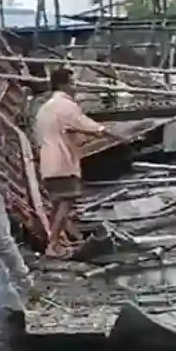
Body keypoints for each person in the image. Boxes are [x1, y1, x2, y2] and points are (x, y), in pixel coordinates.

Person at [34, 67, 138, 258]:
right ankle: (52, 244)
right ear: (64, 84)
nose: (76, 87)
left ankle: (55, 243)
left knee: (57, 203)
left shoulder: (44, 108)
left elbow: (61, 131)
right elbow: (87, 125)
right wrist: (118, 136)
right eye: (72, 83)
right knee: (66, 201)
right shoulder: (65, 106)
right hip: (62, 161)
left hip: (47, 162)